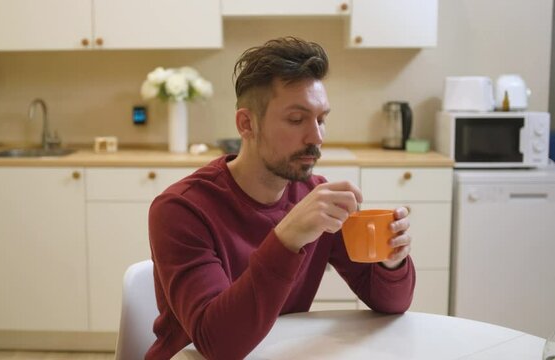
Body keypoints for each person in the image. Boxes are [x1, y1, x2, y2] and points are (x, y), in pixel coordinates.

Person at [146, 37, 415, 360]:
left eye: (321, 119)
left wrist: (392, 259)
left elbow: (391, 303)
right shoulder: (181, 209)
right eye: (297, 119)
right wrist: (288, 237)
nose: (316, 137)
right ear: (247, 124)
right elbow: (218, 345)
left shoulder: (315, 196)